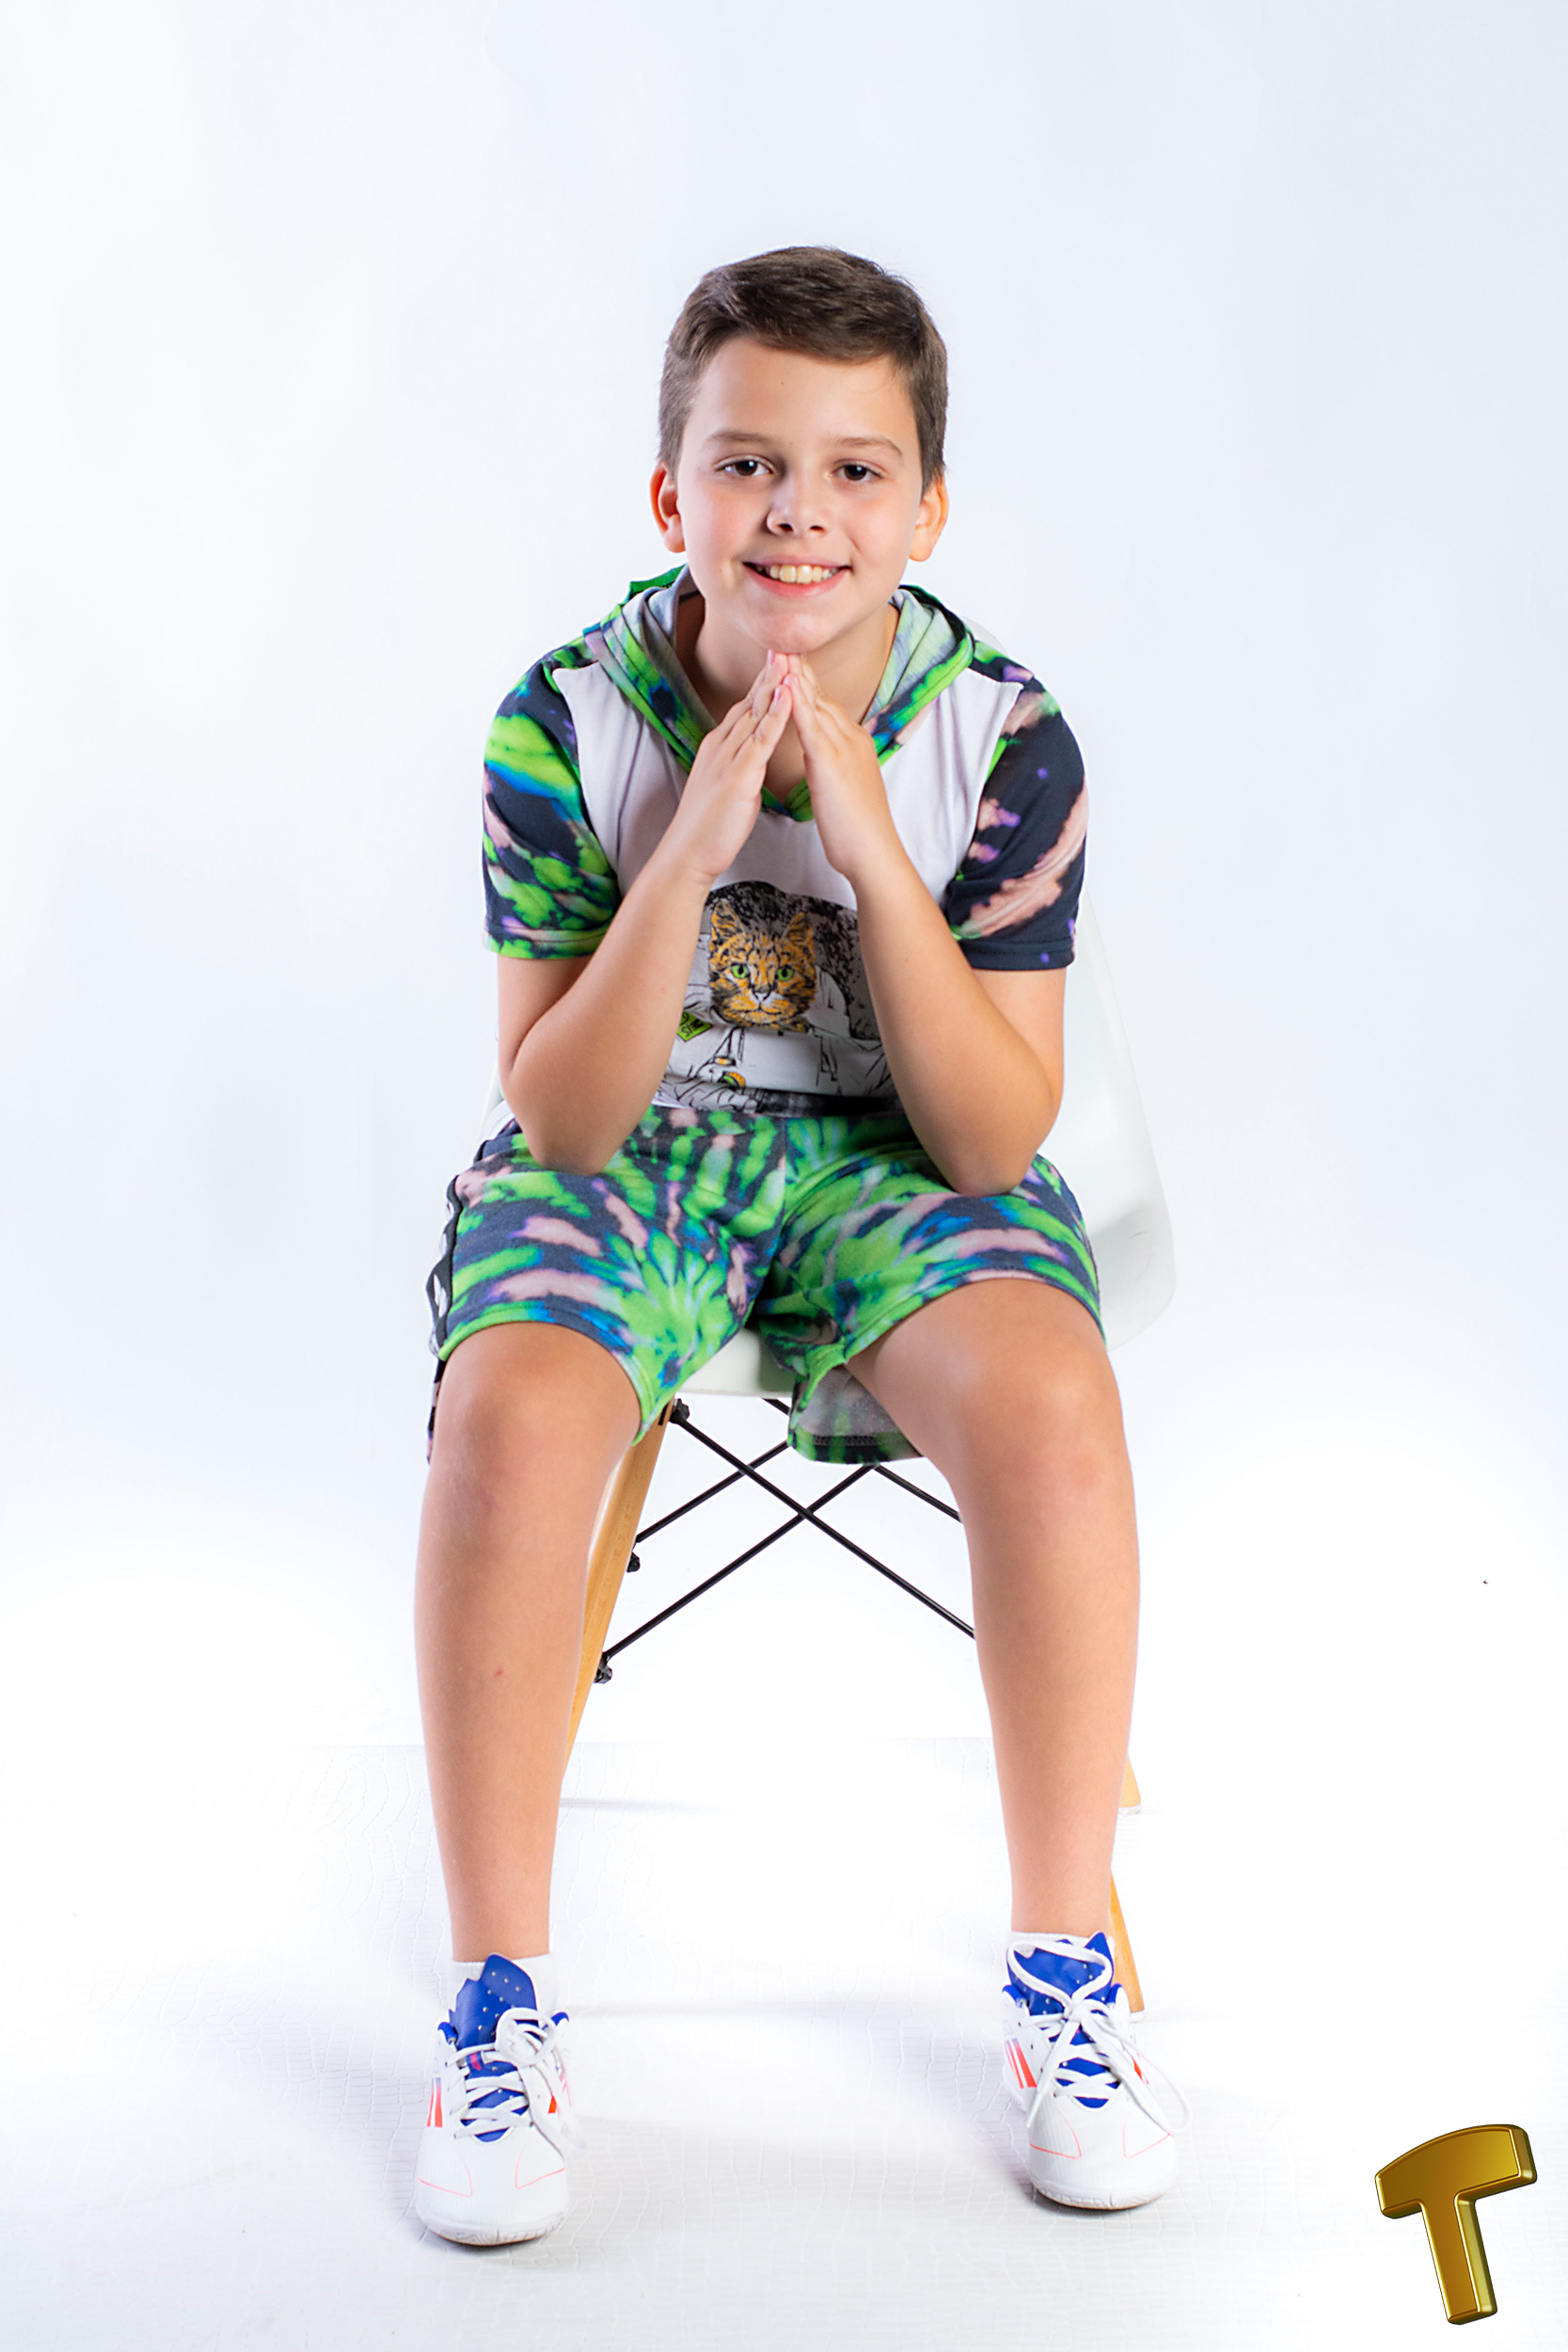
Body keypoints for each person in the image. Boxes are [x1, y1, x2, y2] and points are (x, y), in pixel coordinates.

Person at [411, 245, 1187, 2246]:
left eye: (856, 471)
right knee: (512, 1412)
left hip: (899, 1158)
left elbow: (992, 1129)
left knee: (1057, 1410)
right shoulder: (563, 722)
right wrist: (692, 839)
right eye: (748, 463)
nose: (797, 514)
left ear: (928, 510)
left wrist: (862, 838)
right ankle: (497, 2001)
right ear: (669, 493)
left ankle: (1064, 1974)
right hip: (640, 1150)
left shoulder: (999, 735)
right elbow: (562, 1120)